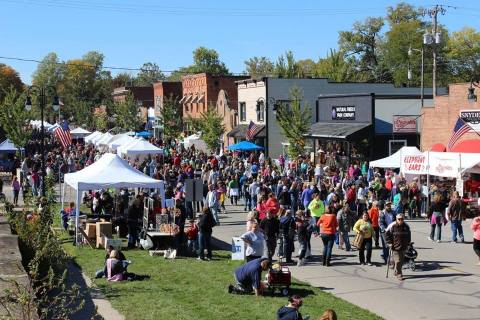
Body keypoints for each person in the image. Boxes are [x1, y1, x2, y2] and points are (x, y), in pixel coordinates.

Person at [385, 213, 411, 281]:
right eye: (399, 219)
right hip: (395, 247)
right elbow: (387, 234)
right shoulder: (392, 225)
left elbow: (408, 235)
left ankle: (396, 270)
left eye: (402, 219)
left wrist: (408, 243)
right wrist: (389, 243)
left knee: (401, 261)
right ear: (396, 219)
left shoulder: (406, 226)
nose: (400, 220)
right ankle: (399, 274)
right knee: (398, 261)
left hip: (403, 246)